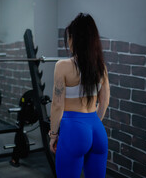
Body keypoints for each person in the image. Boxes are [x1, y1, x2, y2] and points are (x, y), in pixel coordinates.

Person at [49, 13, 110, 178]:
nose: (69, 41)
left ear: (75, 39)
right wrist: (91, 125)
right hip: (97, 130)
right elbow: (104, 103)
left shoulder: (62, 66)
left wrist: (53, 135)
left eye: (70, 37)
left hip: (74, 130)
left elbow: (57, 105)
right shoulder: (101, 67)